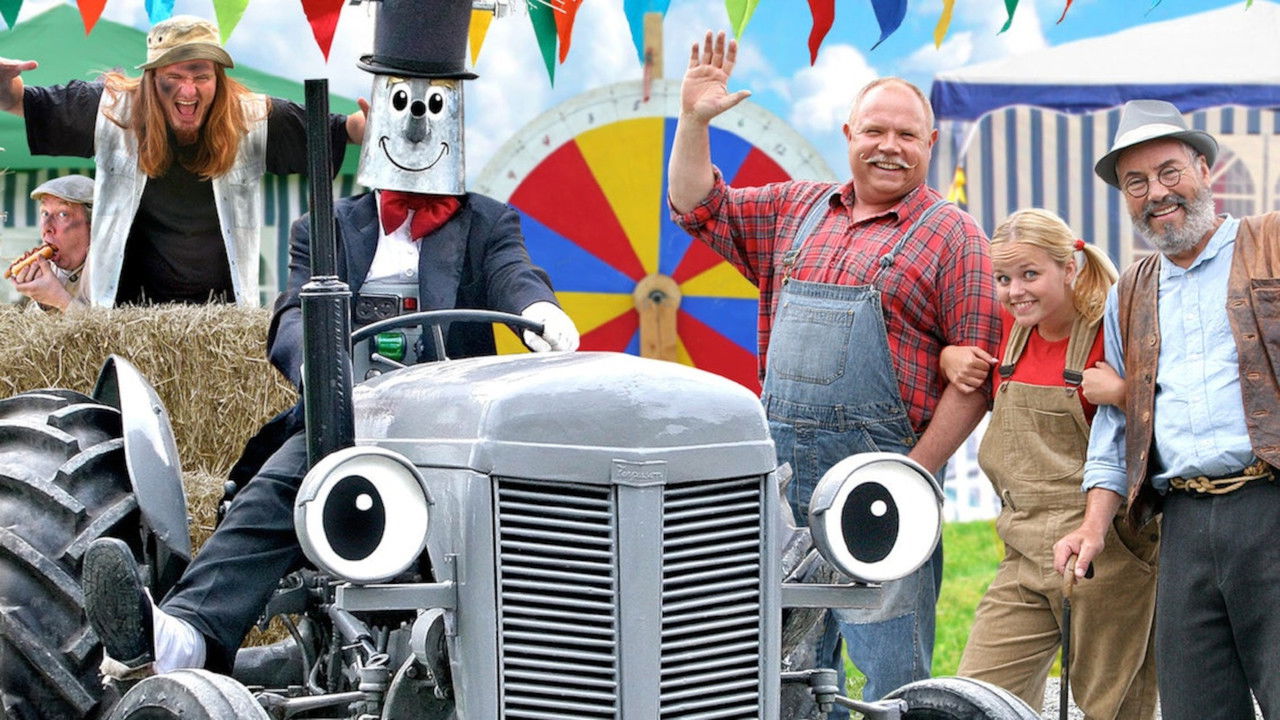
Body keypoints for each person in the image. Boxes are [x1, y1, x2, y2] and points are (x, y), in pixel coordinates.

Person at [80, 0, 577, 676]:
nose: (418, 122)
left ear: (456, 118)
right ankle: (187, 633)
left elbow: (516, 275)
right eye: (403, 103)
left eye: (434, 105)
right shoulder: (329, 226)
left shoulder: (488, 224)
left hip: (456, 427)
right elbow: (291, 314)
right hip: (352, 418)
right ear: (377, 115)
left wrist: (540, 310)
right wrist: (323, 372)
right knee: (283, 484)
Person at [667, 32, 1000, 707]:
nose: (889, 146)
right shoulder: (795, 209)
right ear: (849, 134)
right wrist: (694, 121)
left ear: (930, 143)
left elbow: (976, 381)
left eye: (906, 135)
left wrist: (911, 477)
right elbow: (697, 206)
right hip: (782, 486)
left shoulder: (955, 235)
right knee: (782, 673)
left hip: (881, 489)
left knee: (889, 682)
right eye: (874, 130)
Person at [1052, 99, 1280, 719]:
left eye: (1169, 171)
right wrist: (1092, 526)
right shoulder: (1130, 291)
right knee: (1195, 707)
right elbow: (1116, 427)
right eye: (1136, 183)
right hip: (1182, 523)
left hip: (1271, 506)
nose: (1156, 192)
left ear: (1205, 170)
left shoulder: (1270, 241)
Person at [939, 209, 1157, 719]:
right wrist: (949, 355)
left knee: (1113, 707)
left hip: (1109, 551)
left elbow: (1174, 412)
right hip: (1022, 548)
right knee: (977, 698)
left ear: (1069, 267)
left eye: (1030, 274)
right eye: (1003, 278)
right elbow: (946, 356)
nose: (1015, 291)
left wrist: (1124, 393)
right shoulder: (1007, 331)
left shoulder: (1110, 331)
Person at [0, 15, 365, 307]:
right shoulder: (111, 111)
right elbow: (18, 101)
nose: (188, 91)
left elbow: (342, 130)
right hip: (122, 316)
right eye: (173, 76)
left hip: (223, 320)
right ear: (151, 78)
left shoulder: (252, 118)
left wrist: (370, 123)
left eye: (201, 76)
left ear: (218, 79)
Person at [7, 174, 95, 312]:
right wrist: (44, 302)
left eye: (63, 214)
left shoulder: (114, 270)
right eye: (45, 213)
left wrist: (60, 300)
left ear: (92, 225)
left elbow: (108, 324)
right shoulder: (49, 270)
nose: (47, 227)